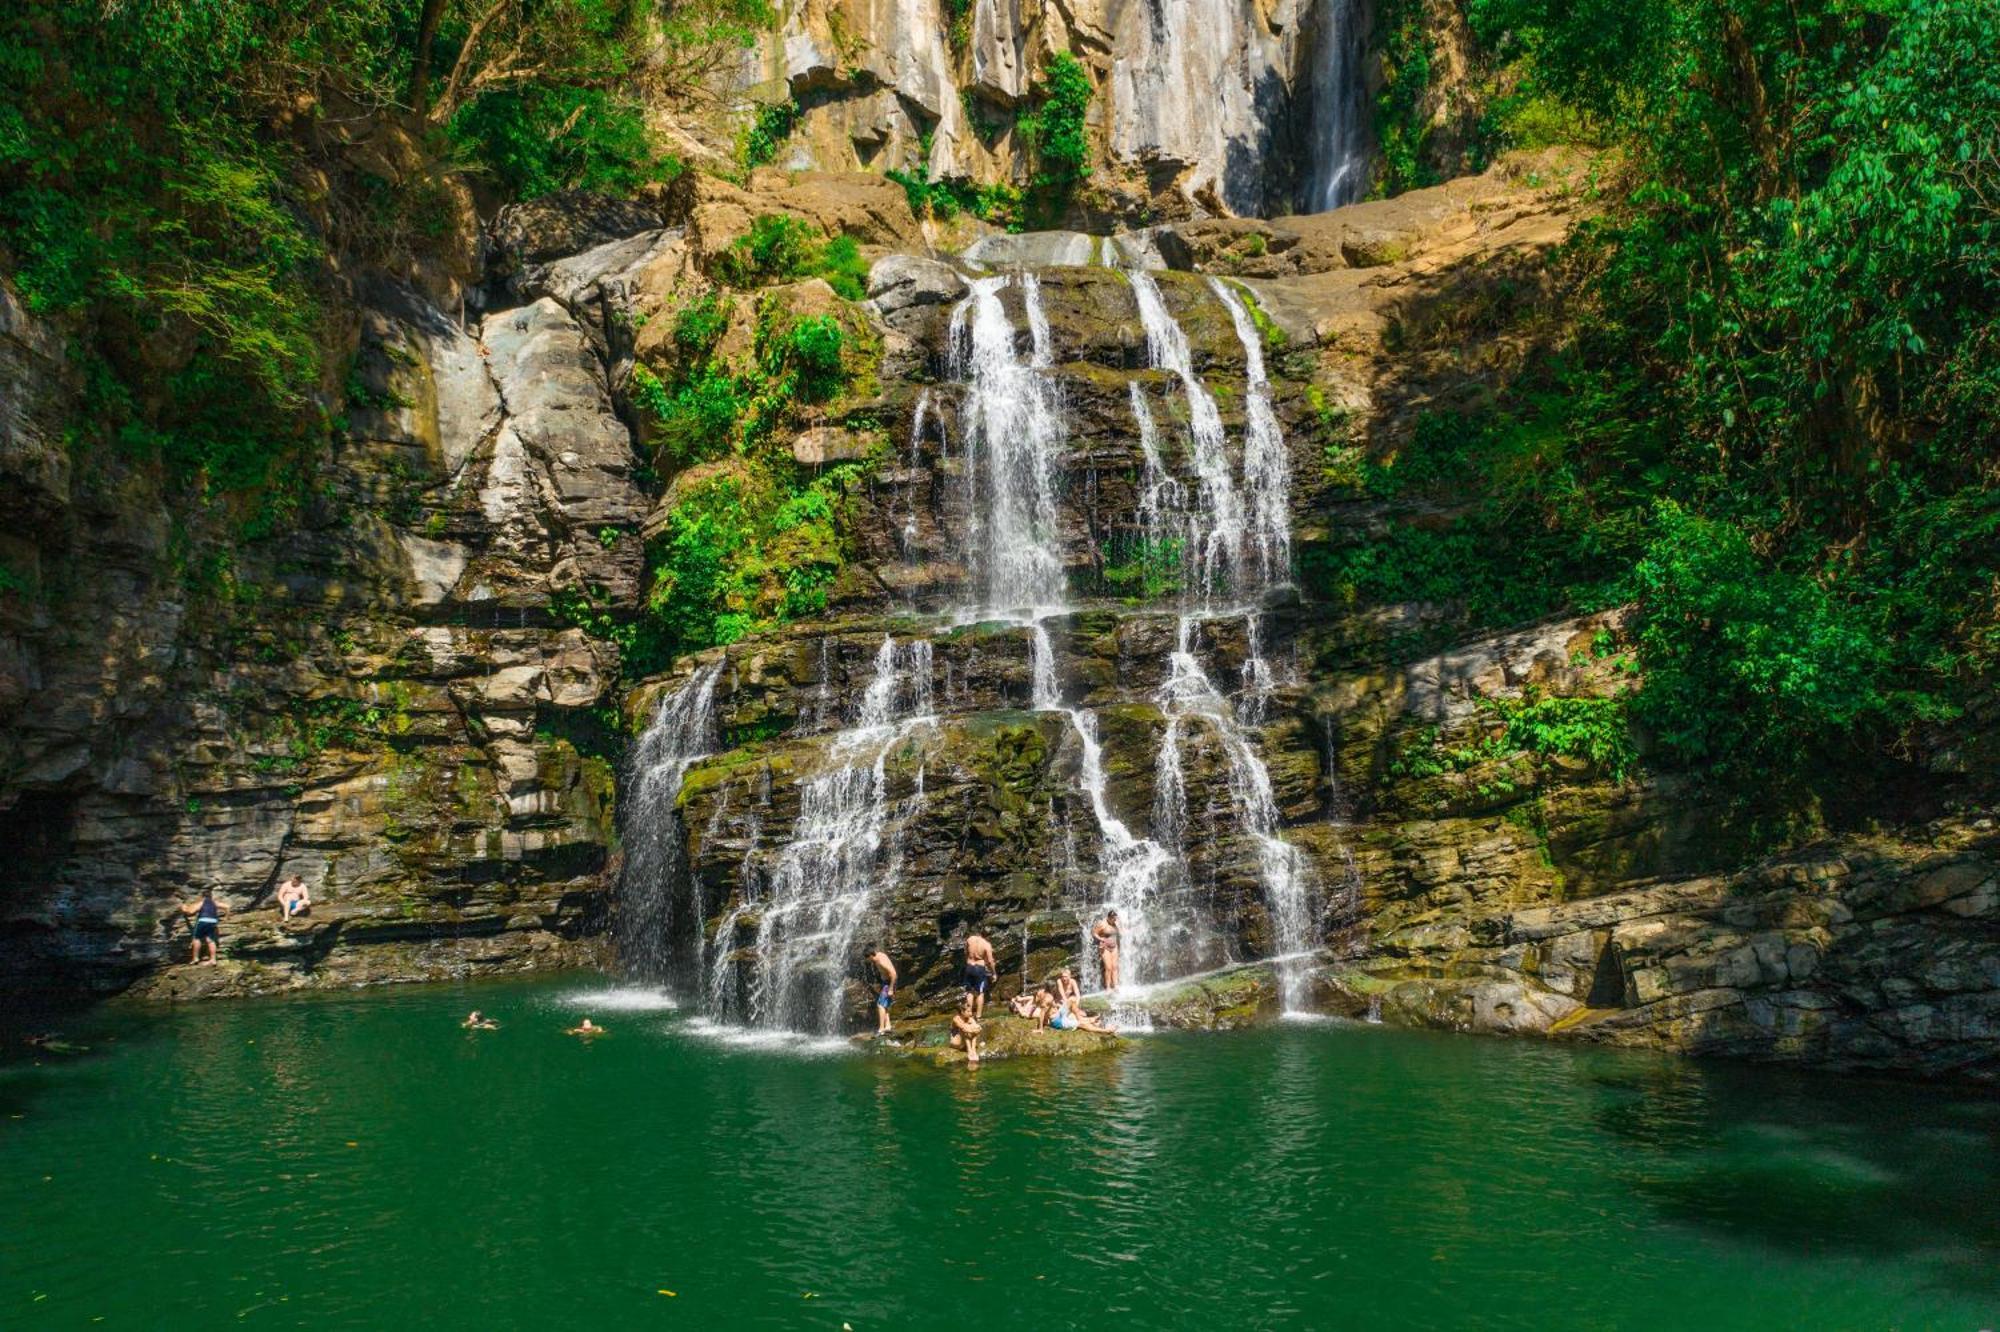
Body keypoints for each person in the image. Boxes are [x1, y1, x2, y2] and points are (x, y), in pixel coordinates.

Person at [181, 891, 225, 966]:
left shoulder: (202, 902)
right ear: (211, 896)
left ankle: (196, 958)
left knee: (196, 939)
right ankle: (213, 960)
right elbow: (227, 906)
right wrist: (227, 917)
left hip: (203, 920)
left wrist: (184, 908)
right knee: (211, 940)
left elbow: (190, 911)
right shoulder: (214, 903)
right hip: (213, 921)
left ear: (202, 896)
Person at [962, 929, 997, 1019]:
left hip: (969, 966)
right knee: (980, 993)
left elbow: (965, 951)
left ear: (980, 932)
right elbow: (990, 961)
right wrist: (994, 973)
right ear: (988, 936)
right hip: (979, 968)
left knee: (969, 992)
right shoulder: (986, 945)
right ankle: (978, 1016)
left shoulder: (970, 939)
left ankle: (968, 1015)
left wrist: (968, 960)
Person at [864, 945, 897, 1036]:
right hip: (885, 983)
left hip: (888, 983)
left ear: (871, 955)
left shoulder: (880, 961)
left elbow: (894, 974)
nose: (867, 960)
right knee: (884, 1004)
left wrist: (890, 989)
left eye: (867, 958)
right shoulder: (880, 955)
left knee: (880, 1005)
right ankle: (888, 1027)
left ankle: (881, 1029)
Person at [947, 994, 982, 1067]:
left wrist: (975, 1028)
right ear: (962, 1012)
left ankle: (973, 1050)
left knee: (972, 1027)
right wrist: (974, 1028)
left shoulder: (970, 1018)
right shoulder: (956, 1019)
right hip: (956, 1043)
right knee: (966, 1028)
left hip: (964, 1043)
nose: (971, 1013)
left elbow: (978, 1027)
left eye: (971, 1011)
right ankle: (970, 1051)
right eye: (968, 1011)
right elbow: (964, 1028)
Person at [1092, 910, 1122, 991]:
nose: (1115, 920)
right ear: (1109, 918)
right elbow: (1094, 933)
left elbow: (1121, 932)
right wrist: (1100, 938)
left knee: (1115, 967)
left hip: (1114, 946)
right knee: (1108, 967)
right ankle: (1108, 987)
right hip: (1105, 947)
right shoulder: (1102, 924)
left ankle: (1115, 986)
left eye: (1115, 919)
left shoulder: (1116, 923)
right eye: (1113, 919)